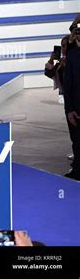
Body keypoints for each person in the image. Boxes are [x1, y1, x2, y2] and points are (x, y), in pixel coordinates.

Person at [63, 24, 80, 181]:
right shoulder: (73, 55)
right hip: (76, 108)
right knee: (77, 141)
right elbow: (67, 85)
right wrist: (69, 109)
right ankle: (78, 169)